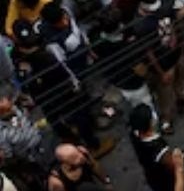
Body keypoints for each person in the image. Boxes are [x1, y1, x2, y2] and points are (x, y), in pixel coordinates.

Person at [11, 20, 114, 157]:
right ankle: (91, 145)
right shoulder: (37, 57)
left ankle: (74, 139)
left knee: (61, 116)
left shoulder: (35, 50)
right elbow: (58, 73)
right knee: (77, 114)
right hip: (54, 91)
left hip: (48, 90)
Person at [132, 0, 184, 135]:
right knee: (165, 94)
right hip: (162, 63)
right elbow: (148, 52)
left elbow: (172, 19)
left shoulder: (162, 0)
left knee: (180, 78)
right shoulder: (140, 25)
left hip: (175, 53)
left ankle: (182, 98)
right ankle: (166, 119)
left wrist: (174, 36)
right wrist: (160, 72)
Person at [90, 8, 153, 112]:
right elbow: (140, 69)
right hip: (134, 86)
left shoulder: (95, 38)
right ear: (119, 25)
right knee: (146, 111)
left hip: (114, 81)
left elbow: (94, 55)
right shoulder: (127, 47)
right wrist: (150, 76)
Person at [39, 2, 91, 78]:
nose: (65, 22)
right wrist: (73, 78)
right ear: (53, 24)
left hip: (83, 47)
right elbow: (61, 61)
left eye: (64, 17)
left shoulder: (65, 11)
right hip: (72, 60)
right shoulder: (51, 40)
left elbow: (77, 29)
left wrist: (89, 48)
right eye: (60, 22)